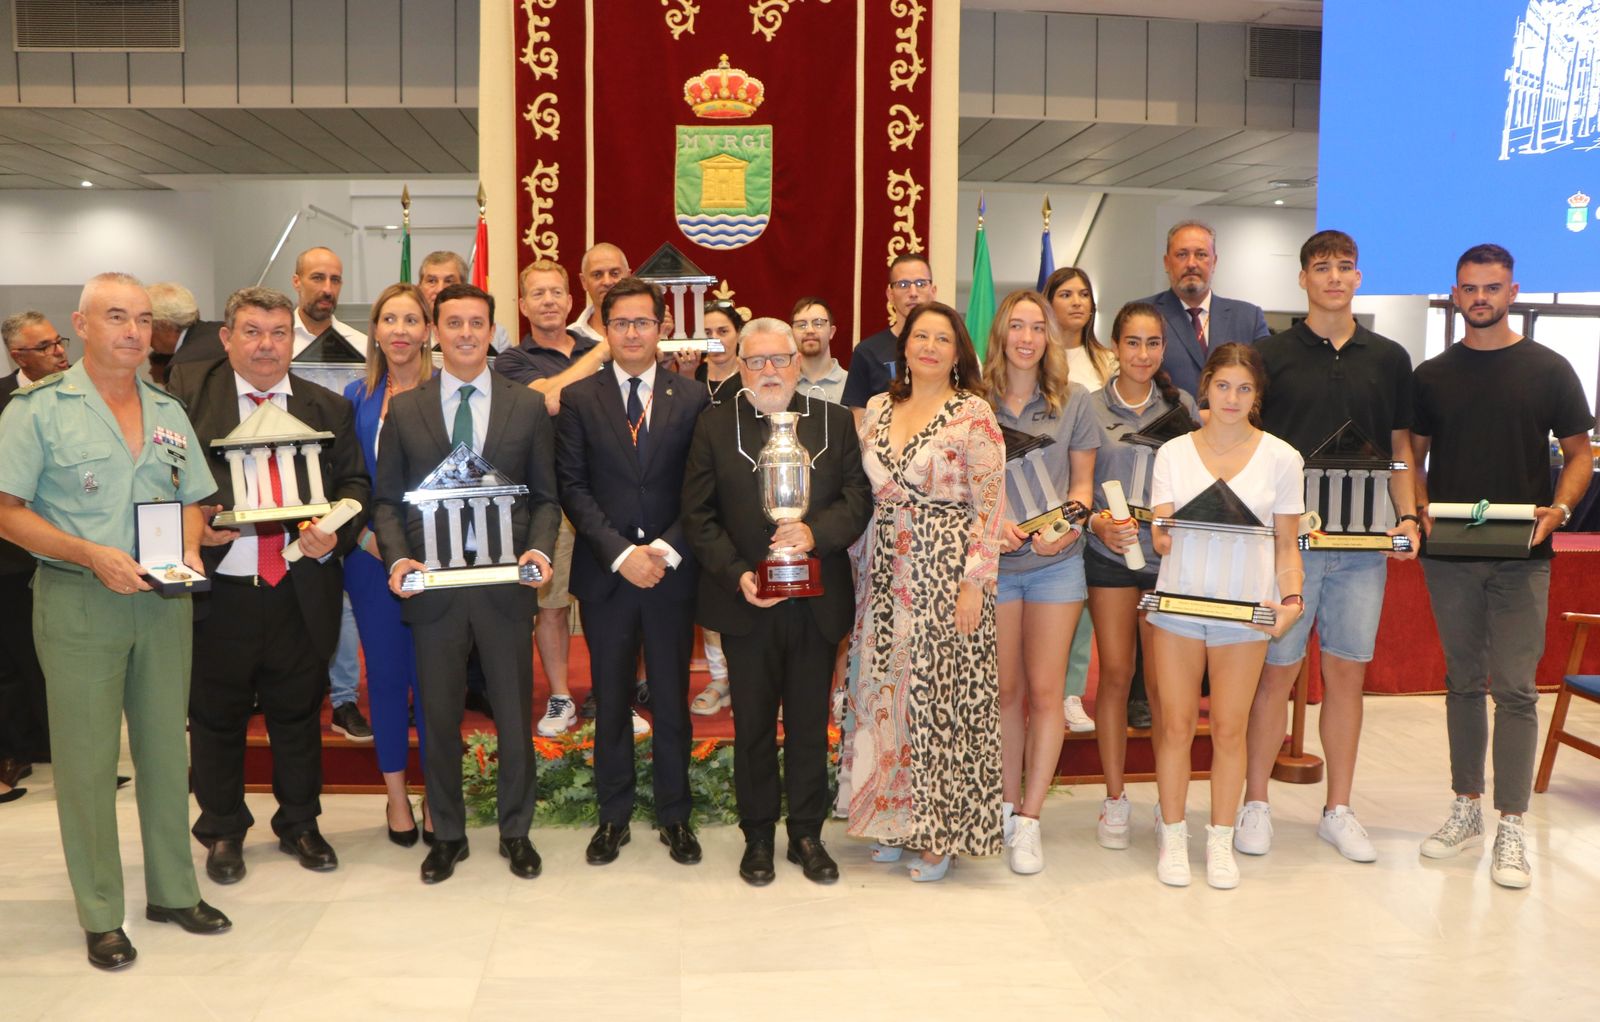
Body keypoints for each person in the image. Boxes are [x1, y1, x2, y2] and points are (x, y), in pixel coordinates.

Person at [0, 272, 231, 970]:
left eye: (143, 319)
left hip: (163, 602)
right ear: (82, 325)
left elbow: (191, 500)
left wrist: (190, 546)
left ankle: (173, 891)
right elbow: (7, 512)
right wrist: (89, 554)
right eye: (116, 317)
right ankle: (101, 912)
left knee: (164, 752)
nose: (133, 331)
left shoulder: (168, 408)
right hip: (80, 600)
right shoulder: (38, 410)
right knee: (87, 763)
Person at [166, 287, 369, 885]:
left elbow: (355, 485)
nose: (266, 345)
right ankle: (223, 829)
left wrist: (334, 531)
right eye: (252, 332)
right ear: (226, 338)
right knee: (216, 718)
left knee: (299, 714)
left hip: (299, 588)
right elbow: (162, 483)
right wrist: (194, 528)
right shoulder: (186, 407)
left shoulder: (326, 408)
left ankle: (300, 823)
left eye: (279, 333)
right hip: (220, 590)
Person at [1412, 243, 1594, 890]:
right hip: (1450, 556)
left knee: (1515, 690)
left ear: (1512, 292)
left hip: (1524, 558)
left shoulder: (1549, 369)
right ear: (1455, 293)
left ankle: (1511, 823)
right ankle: (1466, 806)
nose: (1480, 298)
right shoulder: (1432, 375)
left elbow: (1580, 452)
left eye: (1491, 287)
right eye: (1469, 288)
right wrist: (1416, 510)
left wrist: (1561, 511)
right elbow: (1411, 456)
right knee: (1463, 683)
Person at [1238, 230, 1421, 864]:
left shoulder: (1389, 357)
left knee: (1346, 676)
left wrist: (1408, 516)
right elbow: (1250, 447)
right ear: (1303, 279)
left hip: (1364, 550)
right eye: (1322, 267)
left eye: (1345, 266)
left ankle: (1338, 809)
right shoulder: (1269, 355)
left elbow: (1400, 448)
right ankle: (1255, 804)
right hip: (1289, 547)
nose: (1334, 277)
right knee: (1275, 676)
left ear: (1358, 277)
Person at [374, 282, 559, 884]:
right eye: (453, 323)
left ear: (491, 331)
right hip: (434, 589)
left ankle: (516, 831)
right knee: (438, 715)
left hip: (506, 586)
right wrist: (398, 561)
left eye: (477, 323)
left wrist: (537, 549)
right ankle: (448, 835)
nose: (465, 334)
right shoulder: (406, 409)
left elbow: (546, 497)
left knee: (513, 714)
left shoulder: (525, 405)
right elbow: (386, 503)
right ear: (435, 331)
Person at [681, 317, 872, 885]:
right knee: (754, 726)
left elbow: (858, 499)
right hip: (746, 604)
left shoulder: (834, 421)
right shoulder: (714, 425)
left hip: (817, 602)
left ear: (797, 363)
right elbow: (698, 514)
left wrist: (814, 533)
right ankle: (758, 836)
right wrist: (737, 574)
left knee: (810, 725)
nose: (769, 371)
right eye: (756, 361)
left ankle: (807, 834)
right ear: (740, 368)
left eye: (779, 359)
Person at [846, 301, 1006, 882]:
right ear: (905, 345)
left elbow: (990, 508)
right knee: (882, 695)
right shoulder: (878, 408)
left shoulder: (974, 414)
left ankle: (940, 834)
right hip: (881, 571)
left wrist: (974, 584)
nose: (930, 347)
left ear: (958, 350)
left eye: (942, 338)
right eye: (921, 336)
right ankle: (892, 819)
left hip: (945, 571)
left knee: (938, 701)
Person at [555, 277, 709, 867]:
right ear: (604, 328)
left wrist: (664, 550)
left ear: (662, 328)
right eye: (620, 323)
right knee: (612, 699)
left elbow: (701, 487)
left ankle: (675, 816)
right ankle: (612, 817)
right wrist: (623, 555)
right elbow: (573, 487)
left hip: (671, 573)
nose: (633, 333)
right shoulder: (580, 397)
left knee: (671, 697)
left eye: (643, 322)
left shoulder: (691, 397)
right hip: (608, 573)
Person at [1147, 342, 1304, 890]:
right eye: (1222, 386)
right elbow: (1162, 531)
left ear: (1256, 396)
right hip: (1179, 607)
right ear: (1206, 387)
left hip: (1245, 613)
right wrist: (1158, 534)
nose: (1232, 398)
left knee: (1231, 730)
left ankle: (1219, 839)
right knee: (1175, 726)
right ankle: (1172, 836)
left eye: (1244, 389)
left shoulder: (1283, 458)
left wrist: (1292, 602)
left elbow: (1287, 544)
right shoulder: (1173, 453)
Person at [984, 291, 1100, 874]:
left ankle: (1030, 819)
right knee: (1006, 693)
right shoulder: (973, 401)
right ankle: (1007, 807)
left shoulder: (1075, 400)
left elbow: (1082, 487)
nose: (1026, 338)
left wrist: (1066, 528)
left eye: (1037, 328)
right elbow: (965, 487)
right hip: (997, 568)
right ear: (1000, 334)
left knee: (1048, 693)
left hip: (1057, 565)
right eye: (1017, 327)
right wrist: (991, 528)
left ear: (1049, 337)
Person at [1085, 302, 1199, 851]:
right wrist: (1098, 524)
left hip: (1165, 564)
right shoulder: (1088, 407)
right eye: (1132, 342)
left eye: (1153, 343)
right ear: (1114, 346)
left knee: (1160, 685)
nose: (1143, 353)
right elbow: (1077, 482)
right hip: (1107, 558)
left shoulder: (1184, 407)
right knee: (1115, 674)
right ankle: (1114, 798)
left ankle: (1165, 801)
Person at [493, 259, 605, 736]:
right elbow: (547, 400)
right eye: (538, 294)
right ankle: (561, 697)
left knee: (606, 601)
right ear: (523, 305)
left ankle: (611, 692)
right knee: (552, 603)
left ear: (570, 299)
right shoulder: (512, 361)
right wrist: (602, 355)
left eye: (556, 292)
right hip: (549, 498)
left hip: (602, 494)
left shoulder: (592, 347)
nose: (548, 301)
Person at [342, 283, 435, 844]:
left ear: (427, 331)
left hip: (434, 556)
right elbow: (345, 481)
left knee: (435, 678)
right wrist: (367, 537)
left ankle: (437, 792)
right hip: (371, 557)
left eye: (411, 320)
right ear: (375, 331)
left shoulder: (449, 393)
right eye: (389, 319)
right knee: (386, 675)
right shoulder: (355, 397)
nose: (400, 330)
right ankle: (397, 797)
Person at [1042, 266, 1117, 732]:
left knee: (1082, 592)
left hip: (1096, 484)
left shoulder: (1107, 361)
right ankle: (1039, 690)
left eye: (1084, 294)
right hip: (1046, 486)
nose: (1076, 302)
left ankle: (1070, 692)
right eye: (1066, 294)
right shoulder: (1036, 355)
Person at [0, 311, 70, 795]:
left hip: (70, 548)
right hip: (10, 555)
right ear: (17, 356)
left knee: (61, 660)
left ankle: (67, 753)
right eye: (44, 346)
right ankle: (15, 751)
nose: (59, 351)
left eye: (58, 341)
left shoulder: (80, 394)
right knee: (13, 658)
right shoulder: (3, 401)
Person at [1138, 221, 1270, 397]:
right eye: (1182, 254)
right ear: (1167, 263)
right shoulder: (1142, 314)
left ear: (1214, 262)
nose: (1191, 263)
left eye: (1201, 254)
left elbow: (1265, 382)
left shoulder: (1249, 318)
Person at [840, 253, 937, 421]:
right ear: (890, 294)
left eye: (921, 284)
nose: (913, 292)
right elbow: (858, 423)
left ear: (933, 291)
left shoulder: (950, 349)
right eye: (903, 284)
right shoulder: (867, 352)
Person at [290, 246, 369, 359]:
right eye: (318, 278)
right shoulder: (274, 343)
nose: (328, 290)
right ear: (297, 282)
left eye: (335, 280)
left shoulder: (362, 347)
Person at [148, 282, 224, 383]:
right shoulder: (225, 330)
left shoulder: (180, 368)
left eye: (145, 322)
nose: (144, 334)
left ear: (164, 325)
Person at [791, 296, 848, 403]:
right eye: (801, 325)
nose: (809, 330)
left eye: (818, 324)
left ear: (831, 332)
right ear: (792, 333)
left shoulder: (851, 385)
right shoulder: (782, 386)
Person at [570, 243, 629, 343]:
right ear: (584, 282)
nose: (607, 282)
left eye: (614, 273)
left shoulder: (652, 333)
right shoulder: (570, 338)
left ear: (628, 277)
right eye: (597, 275)